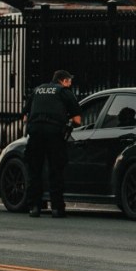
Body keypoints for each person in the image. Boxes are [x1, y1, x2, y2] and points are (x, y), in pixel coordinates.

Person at [22, 70, 82, 218]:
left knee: (34, 170)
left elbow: (24, 117)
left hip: (35, 132)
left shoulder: (38, 90)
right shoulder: (63, 92)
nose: (70, 84)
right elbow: (77, 120)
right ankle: (57, 208)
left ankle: (34, 207)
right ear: (64, 81)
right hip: (54, 133)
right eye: (69, 82)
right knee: (56, 170)